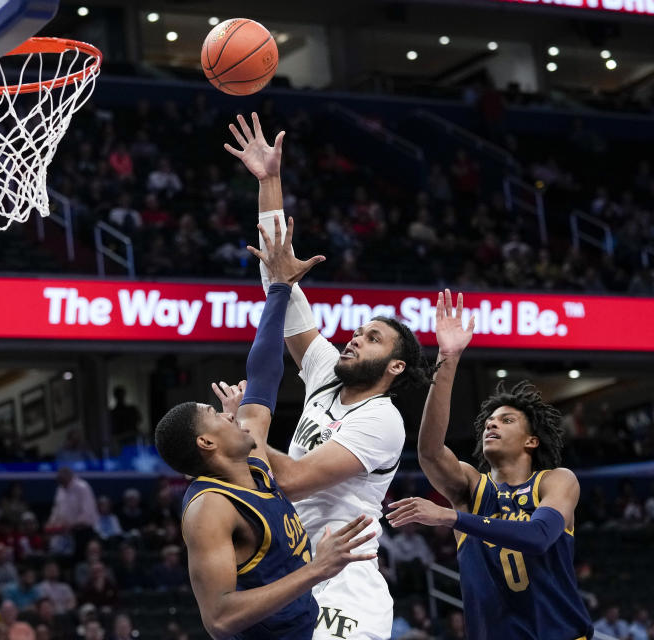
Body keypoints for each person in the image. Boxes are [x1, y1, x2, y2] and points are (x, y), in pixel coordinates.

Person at [224, 112, 430, 639]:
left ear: (395, 366)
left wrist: (235, 437)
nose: (355, 338)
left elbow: (290, 479)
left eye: (373, 338)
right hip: (293, 570)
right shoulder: (325, 375)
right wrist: (269, 182)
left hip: (345, 587)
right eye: (358, 331)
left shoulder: (383, 420)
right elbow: (280, 276)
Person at [154, 216, 375, 639]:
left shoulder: (252, 462)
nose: (227, 413)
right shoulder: (210, 508)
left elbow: (264, 375)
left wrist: (279, 288)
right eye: (215, 415)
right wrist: (316, 569)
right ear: (206, 442)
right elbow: (218, 620)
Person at [386, 290, 593, 640]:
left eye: (507, 420)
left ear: (532, 440)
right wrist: (448, 359)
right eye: (489, 421)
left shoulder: (555, 481)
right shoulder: (472, 487)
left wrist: (450, 517)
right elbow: (430, 452)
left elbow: (539, 537)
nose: (492, 425)